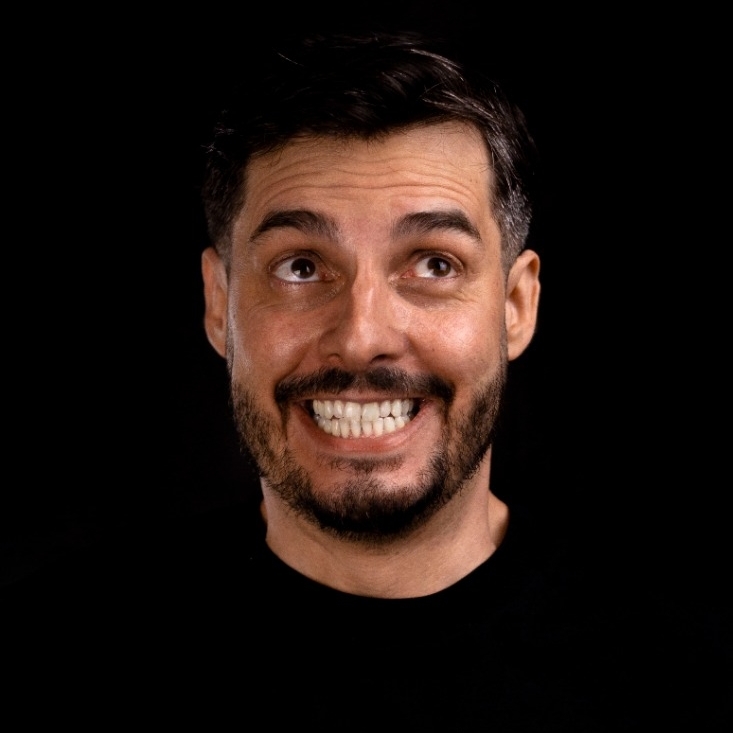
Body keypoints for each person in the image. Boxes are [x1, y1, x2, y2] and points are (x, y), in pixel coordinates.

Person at [6, 29, 730, 731]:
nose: (361, 336)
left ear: (515, 306)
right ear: (219, 304)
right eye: (300, 267)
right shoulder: (53, 657)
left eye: (434, 264)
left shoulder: (691, 674)